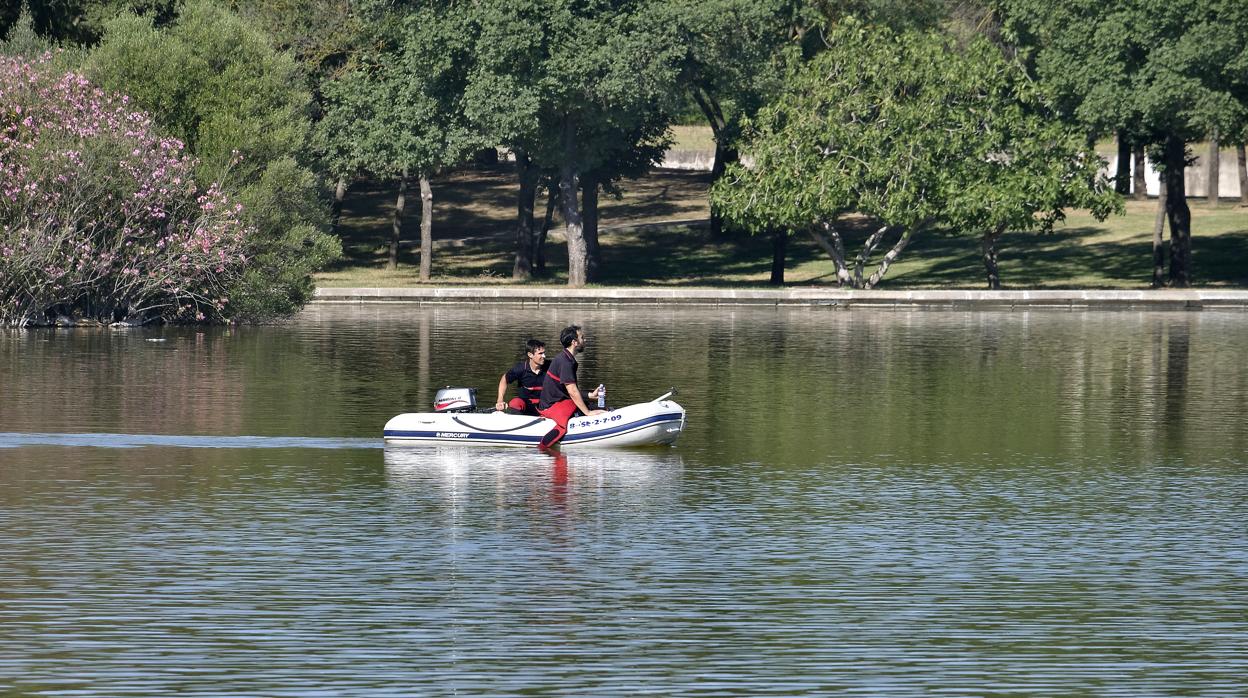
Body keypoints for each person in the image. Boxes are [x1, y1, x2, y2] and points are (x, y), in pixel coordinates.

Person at [537, 324, 605, 449]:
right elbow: (572, 391)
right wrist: (588, 412)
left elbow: (569, 390)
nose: (585, 340)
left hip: (560, 401)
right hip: (552, 407)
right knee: (593, 410)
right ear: (574, 342)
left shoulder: (566, 358)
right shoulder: (565, 362)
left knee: (602, 408)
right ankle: (544, 446)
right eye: (582, 338)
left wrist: (590, 395)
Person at [495, 339, 550, 416]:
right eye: (540, 353)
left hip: (546, 406)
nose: (544, 356)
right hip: (526, 406)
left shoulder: (551, 367)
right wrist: (500, 400)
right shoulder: (520, 369)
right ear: (530, 355)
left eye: (544, 353)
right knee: (515, 403)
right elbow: (504, 379)